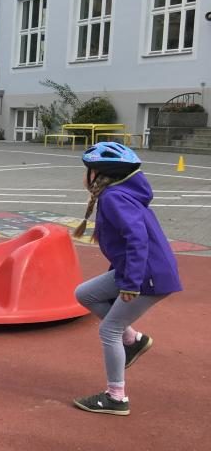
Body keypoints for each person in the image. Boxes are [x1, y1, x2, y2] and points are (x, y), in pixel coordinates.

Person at [70, 142, 182, 416]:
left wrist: (130, 283)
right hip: (138, 271)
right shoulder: (116, 194)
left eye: (88, 170)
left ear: (98, 174)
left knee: (109, 330)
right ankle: (133, 340)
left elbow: (136, 239)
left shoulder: (113, 198)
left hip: (146, 276)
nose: (83, 176)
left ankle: (116, 397)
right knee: (85, 293)